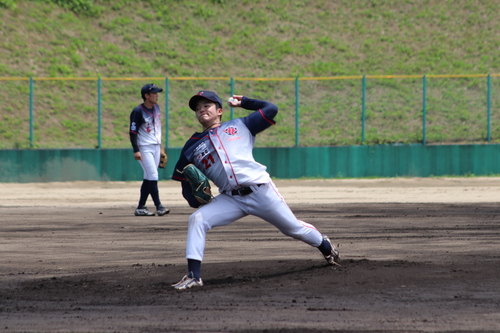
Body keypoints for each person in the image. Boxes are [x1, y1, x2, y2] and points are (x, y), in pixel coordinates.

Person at [170, 90, 340, 290]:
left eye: (206, 106)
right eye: (197, 109)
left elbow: (271, 109)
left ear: (220, 111)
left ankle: (325, 245)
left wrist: (245, 102)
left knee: (292, 228)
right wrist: (195, 200)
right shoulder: (191, 146)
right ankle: (193, 276)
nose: (201, 110)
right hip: (230, 199)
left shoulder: (240, 125)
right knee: (197, 219)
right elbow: (185, 182)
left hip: (260, 191)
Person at [129, 83, 169, 217]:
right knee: (153, 176)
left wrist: (160, 145)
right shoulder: (138, 111)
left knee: (148, 177)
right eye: (154, 93)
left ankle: (141, 207)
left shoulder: (156, 108)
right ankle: (159, 206)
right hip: (144, 147)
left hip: (155, 146)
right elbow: (133, 132)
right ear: (146, 96)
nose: (157, 95)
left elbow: (156, 128)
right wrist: (136, 150)